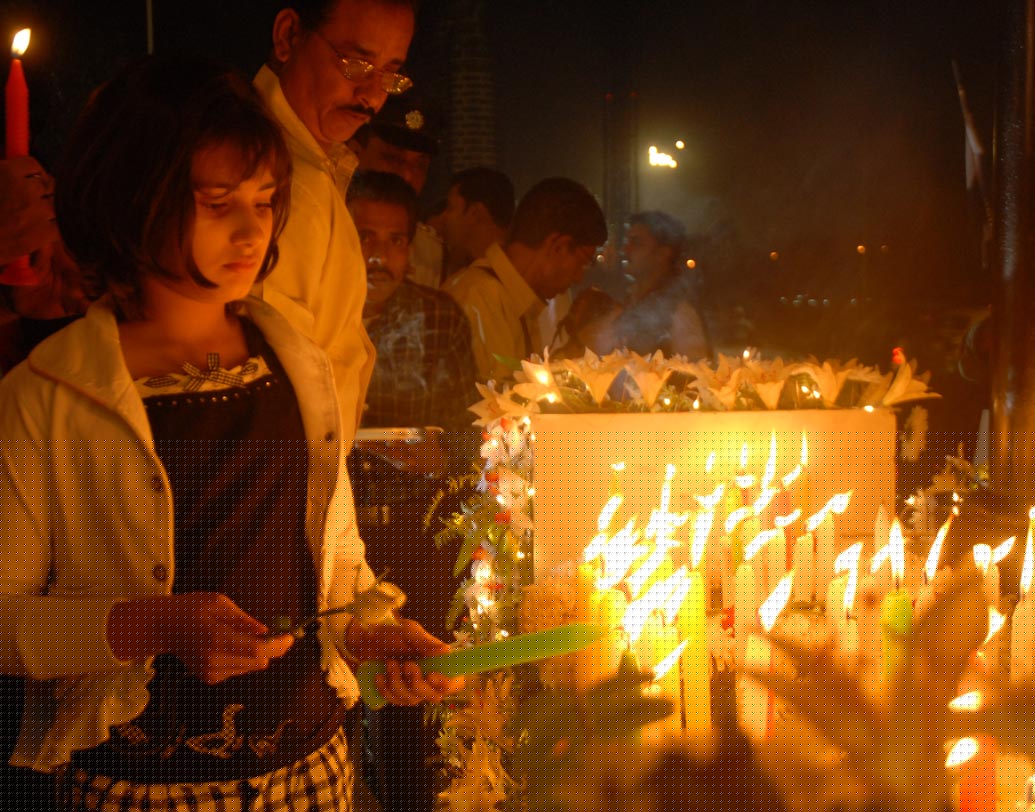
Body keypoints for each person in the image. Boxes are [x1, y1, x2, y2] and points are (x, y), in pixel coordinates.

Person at [0, 57, 458, 812]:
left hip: (311, 771)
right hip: (137, 788)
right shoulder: (49, 395)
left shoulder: (296, 361)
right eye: (216, 203)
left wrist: (374, 629)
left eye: (265, 199)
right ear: (130, 201)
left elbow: (334, 557)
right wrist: (149, 623)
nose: (252, 231)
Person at [345, 170, 478, 812]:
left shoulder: (436, 318)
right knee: (329, 701)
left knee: (413, 708)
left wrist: (354, 441)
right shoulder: (298, 324)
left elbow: (460, 449)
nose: (380, 255)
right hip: (324, 543)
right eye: (363, 235)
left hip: (416, 537)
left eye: (394, 240)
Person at [254, 0, 417, 453]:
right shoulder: (268, 175)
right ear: (288, 35)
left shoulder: (317, 169)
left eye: (389, 73)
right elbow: (278, 385)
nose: (373, 95)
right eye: (357, 63)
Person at [443, 177, 607, 382]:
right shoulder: (480, 297)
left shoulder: (514, 298)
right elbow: (500, 401)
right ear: (558, 246)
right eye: (582, 263)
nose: (578, 277)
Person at [349, 93, 445, 288]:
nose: (408, 176)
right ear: (355, 154)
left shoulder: (431, 254)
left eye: (420, 165)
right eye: (393, 159)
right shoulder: (323, 227)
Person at [605, 210, 712, 360]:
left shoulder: (679, 312)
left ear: (662, 254)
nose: (625, 250)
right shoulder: (631, 301)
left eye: (636, 243)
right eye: (627, 242)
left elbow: (695, 375)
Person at [435, 167, 514, 280]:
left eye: (450, 208)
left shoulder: (470, 288)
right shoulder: (522, 276)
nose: (442, 218)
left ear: (474, 212)